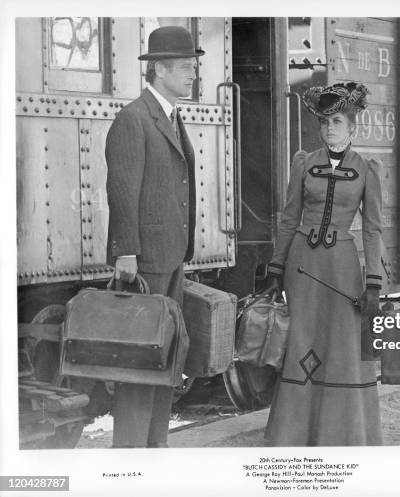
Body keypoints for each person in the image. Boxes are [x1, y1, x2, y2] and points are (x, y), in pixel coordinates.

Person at [264, 82, 383, 446]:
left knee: (342, 347)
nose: (328, 129)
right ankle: (295, 434)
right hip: (302, 268)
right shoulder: (304, 163)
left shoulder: (367, 169)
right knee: (301, 342)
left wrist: (374, 283)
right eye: (323, 123)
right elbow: (288, 220)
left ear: (352, 126)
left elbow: (374, 229)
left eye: (335, 121)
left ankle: (341, 434)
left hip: (343, 271)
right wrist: (276, 269)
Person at [105, 26, 203, 448]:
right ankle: (131, 452)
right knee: (141, 359)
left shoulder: (170, 116)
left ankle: (155, 448)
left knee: (166, 356)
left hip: (173, 255)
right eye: (185, 67)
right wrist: (126, 251)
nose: (193, 75)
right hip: (146, 260)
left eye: (193, 67)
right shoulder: (134, 118)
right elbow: (122, 189)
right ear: (159, 69)